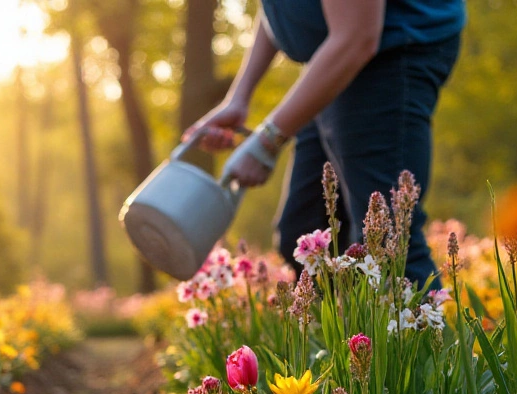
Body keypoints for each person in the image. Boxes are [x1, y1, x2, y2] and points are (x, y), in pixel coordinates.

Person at [186, 0, 464, 286]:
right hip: (328, 55)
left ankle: (415, 328)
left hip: (385, 54)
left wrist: (267, 141)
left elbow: (357, 37)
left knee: (386, 245)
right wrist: (239, 97)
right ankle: (337, 329)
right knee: (307, 234)